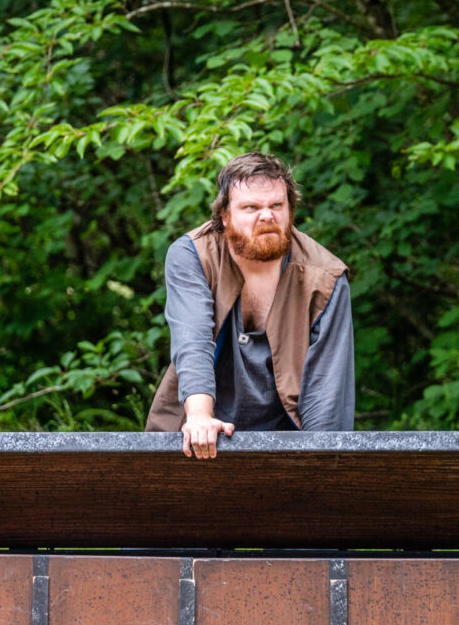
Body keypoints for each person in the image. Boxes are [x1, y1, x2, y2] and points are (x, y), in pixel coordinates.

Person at [145, 152, 354, 456]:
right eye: (251, 207)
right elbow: (193, 340)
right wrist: (201, 416)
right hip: (196, 433)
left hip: (288, 442)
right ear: (225, 216)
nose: (266, 216)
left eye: (276, 206)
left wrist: (317, 464)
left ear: (290, 212)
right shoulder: (192, 255)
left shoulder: (326, 278)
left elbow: (326, 392)